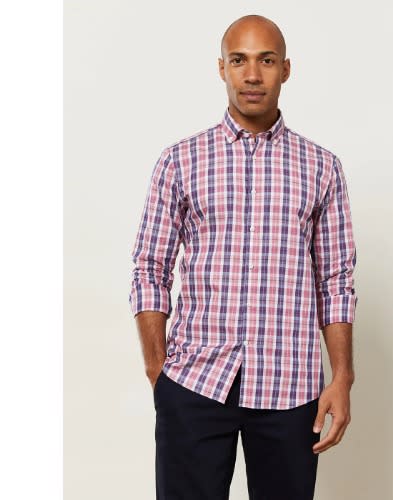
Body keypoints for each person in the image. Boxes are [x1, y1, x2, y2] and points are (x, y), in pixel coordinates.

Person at [129, 14, 358, 500]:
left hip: (290, 386)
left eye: (266, 61)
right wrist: (158, 370)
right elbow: (149, 268)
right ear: (222, 68)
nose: (252, 75)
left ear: (286, 69)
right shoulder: (179, 161)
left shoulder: (322, 168)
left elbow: (336, 281)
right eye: (239, 60)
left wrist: (342, 376)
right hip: (194, 381)